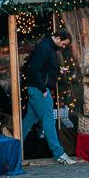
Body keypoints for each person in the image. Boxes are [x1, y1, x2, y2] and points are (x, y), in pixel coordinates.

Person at [21, 29, 76, 165]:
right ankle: (59, 154)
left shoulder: (47, 47)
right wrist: (42, 88)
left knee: (29, 120)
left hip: (36, 89)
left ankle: (13, 146)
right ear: (57, 38)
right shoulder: (44, 48)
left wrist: (57, 70)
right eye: (63, 44)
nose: (63, 47)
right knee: (49, 119)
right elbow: (34, 69)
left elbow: (44, 67)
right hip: (40, 90)